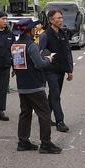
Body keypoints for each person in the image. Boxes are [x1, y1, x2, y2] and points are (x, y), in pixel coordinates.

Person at [12, 20, 62, 153]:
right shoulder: (31, 45)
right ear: (30, 30)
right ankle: (46, 144)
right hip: (35, 84)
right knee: (44, 113)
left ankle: (23, 142)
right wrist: (48, 59)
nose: (36, 29)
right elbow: (39, 64)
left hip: (22, 84)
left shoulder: (16, 45)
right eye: (34, 28)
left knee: (25, 113)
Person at [41, 9, 74, 132]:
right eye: (58, 18)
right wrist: (48, 58)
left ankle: (45, 117)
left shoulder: (63, 33)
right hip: (50, 70)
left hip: (61, 69)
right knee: (55, 94)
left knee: (54, 95)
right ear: (51, 20)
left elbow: (67, 52)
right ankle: (60, 121)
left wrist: (70, 70)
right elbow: (41, 51)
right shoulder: (45, 35)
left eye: (61, 18)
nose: (61, 20)